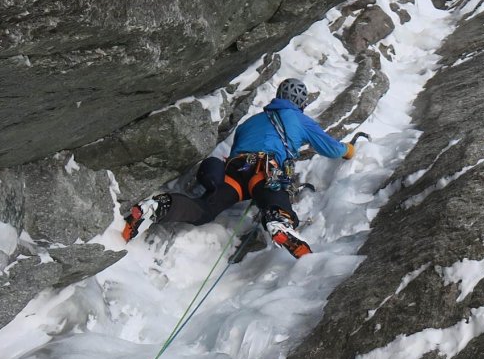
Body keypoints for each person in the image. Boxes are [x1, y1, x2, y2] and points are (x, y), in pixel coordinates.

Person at [120, 78, 355, 258]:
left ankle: (161, 206)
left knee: (205, 210)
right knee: (272, 195)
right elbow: (331, 148)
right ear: (300, 103)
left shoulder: (251, 121)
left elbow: (238, 147)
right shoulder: (298, 119)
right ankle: (279, 221)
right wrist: (349, 150)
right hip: (265, 170)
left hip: (236, 171)